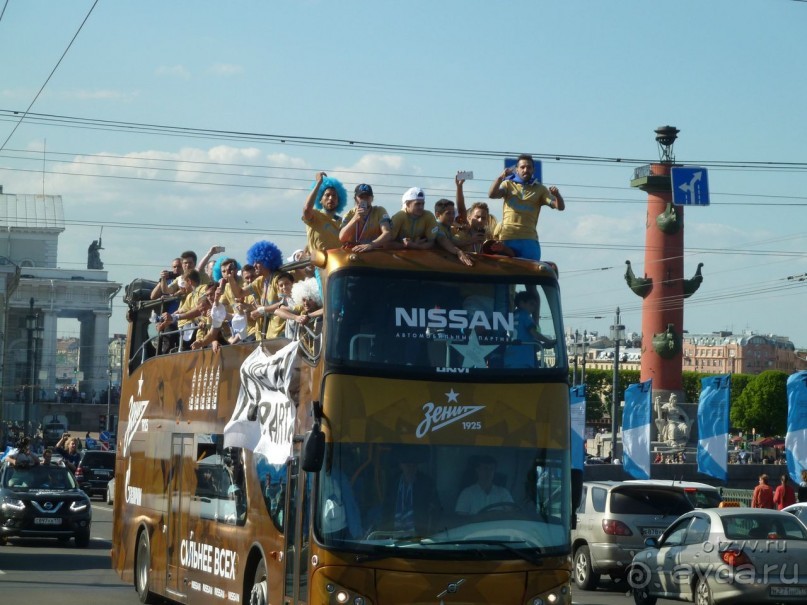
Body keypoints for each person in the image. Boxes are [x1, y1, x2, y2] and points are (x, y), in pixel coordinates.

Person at [488, 154, 565, 261]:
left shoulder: (540, 189)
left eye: (529, 167)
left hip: (529, 240)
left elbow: (559, 207)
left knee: (530, 275)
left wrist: (557, 195)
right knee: (507, 273)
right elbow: (492, 194)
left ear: (533, 170)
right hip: (508, 238)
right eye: (522, 167)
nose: (526, 170)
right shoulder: (508, 184)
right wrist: (501, 178)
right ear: (517, 169)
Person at [383, 458, 441, 535]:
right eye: (407, 465)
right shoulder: (393, 483)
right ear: (401, 465)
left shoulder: (426, 483)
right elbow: (386, 509)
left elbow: (435, 510)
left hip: (419, 538)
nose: (411, 469)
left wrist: (430, 533)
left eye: (414, 465)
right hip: (393, 538)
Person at [503, 291, 556, 368]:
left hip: (509, 359)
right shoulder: (526, 316)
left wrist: (542, 346)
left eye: (535, 306)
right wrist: (549, 341)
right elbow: (534, 333)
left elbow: (523, 340)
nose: (534, 308)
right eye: (531, 304)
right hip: (523, 360)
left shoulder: (512, 316)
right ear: (521, 303)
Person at [339, 183, 392, 252]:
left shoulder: (379, 211)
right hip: (353, 254)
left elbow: (387, 233)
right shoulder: (349, 214)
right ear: (355, 198)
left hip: (374, 253)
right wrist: (354, 219)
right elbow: (342, 237)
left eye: (367, 197)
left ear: (372, 198)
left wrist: (371, 245)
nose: (364, 200)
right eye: (361, 197)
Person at [303, 172, 347, 253]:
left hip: (337, 264)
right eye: (327, 195)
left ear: (338, 201)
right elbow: (306, 209)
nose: (331, 198)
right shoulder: (314, 216)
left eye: (334, 196)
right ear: (320, 199)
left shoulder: (343, 223)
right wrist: (318, 184)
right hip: (319, 264)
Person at [432, 198, 474, 266]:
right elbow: (442, 240)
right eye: (448, 213)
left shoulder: (448, 227)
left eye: (453, 213)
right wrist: (458, 251)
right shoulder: (435, 226)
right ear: (437, 214)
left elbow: (452, 242)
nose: (452, 216)